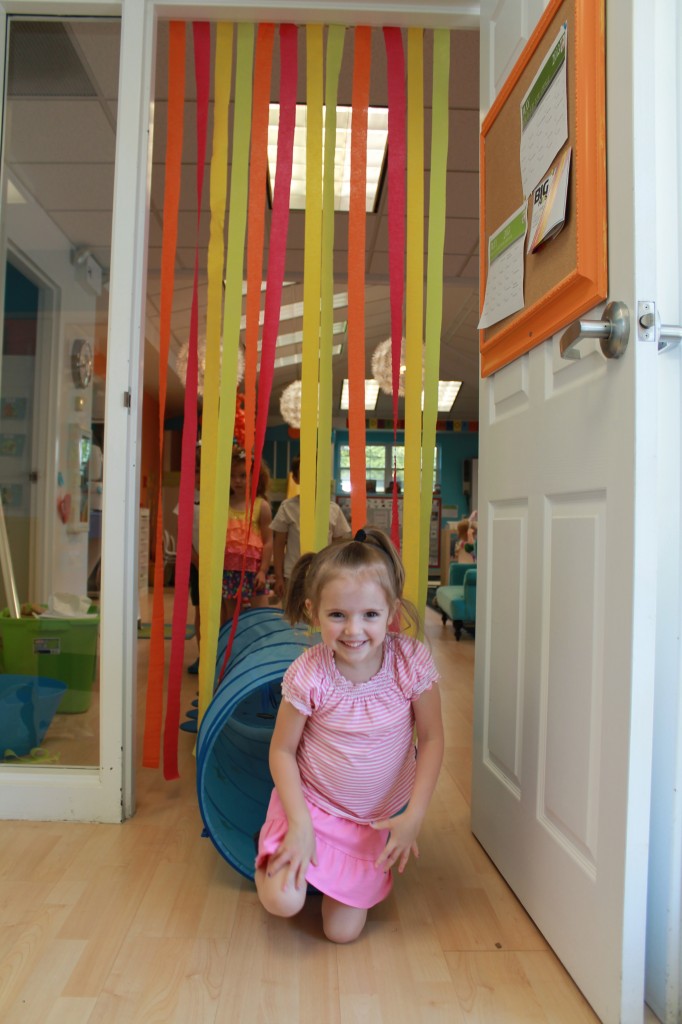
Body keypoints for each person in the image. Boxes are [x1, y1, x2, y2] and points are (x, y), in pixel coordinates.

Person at [254, 527, 444, 944]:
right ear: (313, 611)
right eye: (337, 615)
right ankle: (275, 841)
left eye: (370, 615)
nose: (353, 630)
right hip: (312, 807)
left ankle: (331, 875)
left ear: (391, 612)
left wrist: (414, 816)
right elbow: (282, 750)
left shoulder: (410, 662)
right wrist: (300, 824)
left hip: (369, 823)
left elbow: (431, 739)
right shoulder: (310, 672)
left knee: (341, 932)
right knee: (283, 900)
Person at [271, 457, 351, 600]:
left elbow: (339, 547)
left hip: (324, 575)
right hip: (294, 575)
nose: (311, 479)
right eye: (305, 474)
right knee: (294, 612)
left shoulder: (333, 509)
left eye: (315, 474)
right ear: (296, 478)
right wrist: (278, 577)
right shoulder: (287, 507)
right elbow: (278, 544)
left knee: (322, 610)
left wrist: (339, 574)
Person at [222, 447, 273, 624]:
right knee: (232, 619)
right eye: (233, 476)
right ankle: (235, 643)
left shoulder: (261, 506)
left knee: (261, 618)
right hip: (228, 572)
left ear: (254, 476)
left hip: (254, 573)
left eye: (243, 476)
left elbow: (268, 541)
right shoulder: (223, 505)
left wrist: (263, 571)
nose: (237, 480)